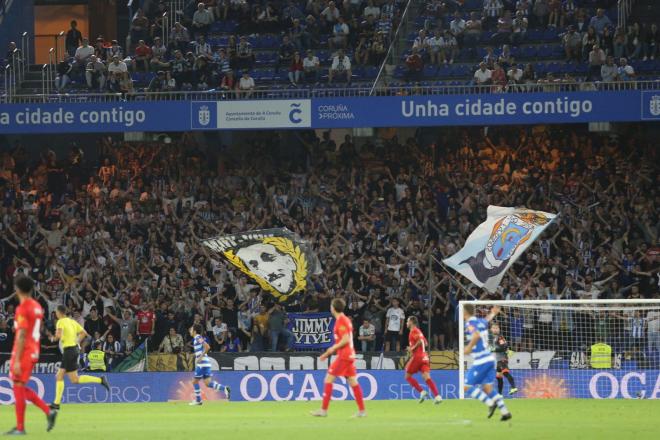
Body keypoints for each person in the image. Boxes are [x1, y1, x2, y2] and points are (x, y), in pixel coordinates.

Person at [5, 276, 57, 435]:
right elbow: (35, 327)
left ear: (17, 289)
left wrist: (18, 359)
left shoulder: (23, 308)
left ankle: (20, 427)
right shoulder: (36, 306)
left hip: (24, 350)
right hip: (34, 348)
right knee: (19, 387)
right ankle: (48, 412)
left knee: (18, 386)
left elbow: (21, 335)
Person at [311, 298, 366, 418]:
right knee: (353, 381)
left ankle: (323, 410)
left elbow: (345, 339)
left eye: (331, 306)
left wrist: (331, 350)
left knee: (328, 379)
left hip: (344, 355)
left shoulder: (341, 320)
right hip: (349, 355)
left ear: (333, 308)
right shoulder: (345, 319)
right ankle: (362, 411)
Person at [48, 305, 109, 410]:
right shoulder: (72, 321)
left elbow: (58, 336)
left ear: (59, 313)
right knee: (74, 379)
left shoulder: (60, 321)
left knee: (59, 376)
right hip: (75, 350)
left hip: (69, 351)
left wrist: (53, 338)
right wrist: (76, 341)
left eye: (56, 312)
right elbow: (84, 333)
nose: (56, 314)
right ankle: (100, 380)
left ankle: (56, 404)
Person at [463, 304, 511, 421]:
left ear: (465, 313)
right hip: (490, 359)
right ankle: (505, 412)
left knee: (466, 387)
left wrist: (468, 348)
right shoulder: (480, 321)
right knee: (488, 388)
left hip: (481, 360)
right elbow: (486, 320)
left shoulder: (469, 324)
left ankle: (490, 403)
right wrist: (493, 313)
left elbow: (476, 335)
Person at [189, 324, 230, 405]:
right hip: (206, 363)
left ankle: (198, 400)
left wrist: (200, 357)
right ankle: (225, 388)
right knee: (208, 383)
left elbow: (207, 347)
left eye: (191, 329)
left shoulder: (198, 337)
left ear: (194, 331)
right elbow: (202, 349)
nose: (190, 331)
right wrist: (196, 355)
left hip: (202, 363)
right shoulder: (196, 338)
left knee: (194, 381)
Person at [404, 316, 442, 404]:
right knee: (427, 377)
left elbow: (421, 341)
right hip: (425, 357)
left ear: (412, 322)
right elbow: (426, 343)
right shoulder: (419, 331)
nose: (406, 323)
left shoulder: (413, 331)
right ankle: (437, 396)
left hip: (418, 357)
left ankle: (422, 392)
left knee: (407, 376)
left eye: (407, 321)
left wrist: (412, 348)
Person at [490, 323, 518, 396]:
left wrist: (493, 349)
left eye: (497, 328)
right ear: (491, 329)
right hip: (499, 360)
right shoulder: (495, 338)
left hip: (502, 359)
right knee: (498, 376)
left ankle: (513, 387)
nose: (495, 329)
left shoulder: (500, 337)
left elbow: (504, 346)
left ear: (499, 329)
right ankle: (499, 394)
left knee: (505, 373)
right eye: (494, 328)